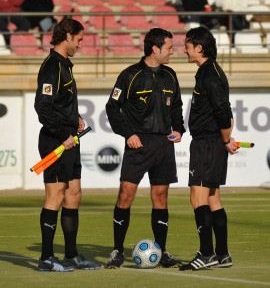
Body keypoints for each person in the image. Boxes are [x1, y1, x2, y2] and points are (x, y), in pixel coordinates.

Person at [105, 28, 186, 269]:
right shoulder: (129, 75)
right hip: (138, 145)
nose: (174, 51)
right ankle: (117, 251)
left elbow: (177, 108)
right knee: (125, 195)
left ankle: (161, 251)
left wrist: (179, 129)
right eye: (170, 47)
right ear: (155, 48)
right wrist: (128, 134)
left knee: (160, 198)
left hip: (164, 144)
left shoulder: (171, 75)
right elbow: (112, 108)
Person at [34, 17, 101, 272]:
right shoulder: (52, 66)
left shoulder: (65, 66)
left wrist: (77, 118)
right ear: (68, 36)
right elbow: (42, 108)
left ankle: (71, 255)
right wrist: (63, 132)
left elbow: (61, 105)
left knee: (74, 194)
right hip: (56, 141)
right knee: (56, 194)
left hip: (70, 139)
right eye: (80, 40)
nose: (81, 45)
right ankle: (46, 258)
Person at [180, 26, 238, 271]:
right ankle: (222, 254)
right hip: (210, 142)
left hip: (207, 143)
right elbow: (225, 112)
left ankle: (206, 254)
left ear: (199, 48)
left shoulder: (209, 74)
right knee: (213, 197)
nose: (185, 50)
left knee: (198, 197)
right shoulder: (210, 71)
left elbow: (224, 113)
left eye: (187, 45)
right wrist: (224, 138)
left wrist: (226, 140)